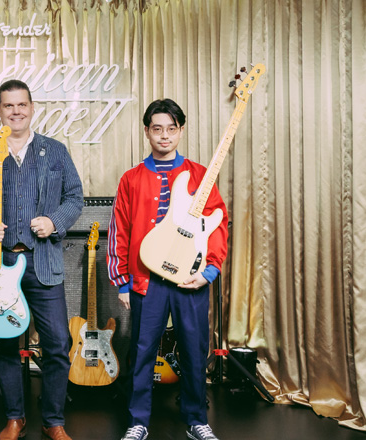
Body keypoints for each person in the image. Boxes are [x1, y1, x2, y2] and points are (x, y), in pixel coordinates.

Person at [0, 79, 83, 440]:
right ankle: (15, 417)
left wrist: (54, 221)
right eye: (8, 105)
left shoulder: (55, 151)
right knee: (6, 343)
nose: (16, 111)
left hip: (44, 265)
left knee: (58, 344)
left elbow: (75, 197)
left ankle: (53, 420)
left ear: (32, 107)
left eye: (22, 105)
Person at [107, 99, 228, 440]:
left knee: (193, 351)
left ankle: (196, 419)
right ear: (147, 132)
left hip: (190, 276)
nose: (164, 136)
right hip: (147, 280)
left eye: (171, 129)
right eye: (157, 129)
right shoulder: (131, 179)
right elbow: (119, 229)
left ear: (181, 131)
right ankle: (138, 422)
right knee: (142, 352)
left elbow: (218, 223)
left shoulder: (200, 175)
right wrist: (122, 281)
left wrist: (209, 271)